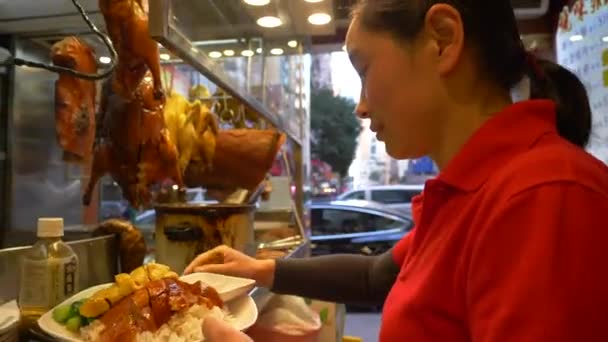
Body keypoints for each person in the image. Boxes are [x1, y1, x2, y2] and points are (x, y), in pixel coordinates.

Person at [190, 0, 608, 341]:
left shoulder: (544, 194)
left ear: (442, 39)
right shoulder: (468, 192)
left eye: (363, 70)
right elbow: (376, 276)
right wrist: (260, 270)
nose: (360, 106)